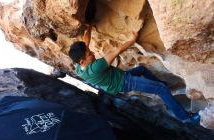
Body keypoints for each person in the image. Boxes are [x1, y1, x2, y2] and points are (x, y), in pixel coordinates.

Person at [68, 26, 200, 124]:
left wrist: (89, 26)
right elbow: (118, 50)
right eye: (89, 54)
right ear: (82, 60)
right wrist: (132, 40)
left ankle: (164, 90)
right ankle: (186, 117)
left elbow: (85, 43)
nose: (93, 53)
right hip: (124, 82)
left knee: (142, 69)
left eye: (90, 51)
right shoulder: (95, 68)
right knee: (161, 89)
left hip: (116, 81)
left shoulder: (79, 67)